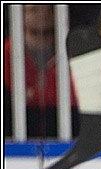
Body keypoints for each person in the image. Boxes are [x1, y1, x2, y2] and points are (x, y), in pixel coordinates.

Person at [4, 4, 59, 136]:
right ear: (21, 15)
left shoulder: (69, 52)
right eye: (34, 10)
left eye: (48, 9)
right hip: (13, 130)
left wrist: (31, 95)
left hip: (60, 127)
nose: (43, 14)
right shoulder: (6, 53)